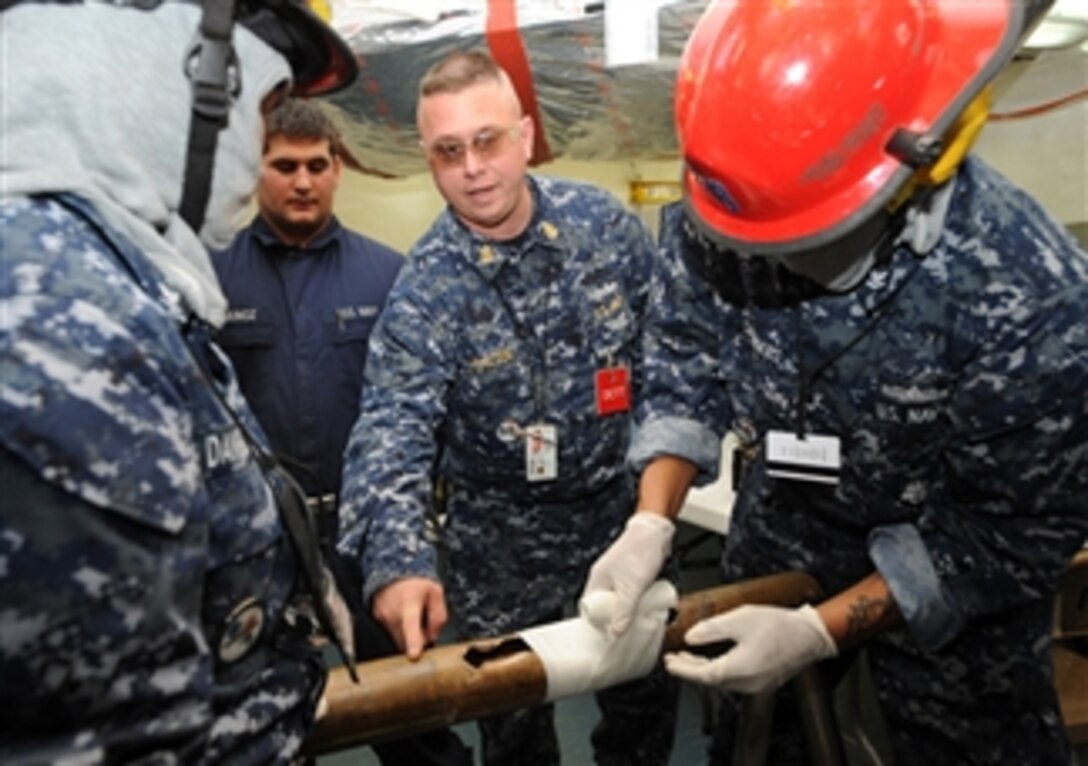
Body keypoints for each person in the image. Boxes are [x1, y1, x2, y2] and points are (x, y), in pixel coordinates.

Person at [583, 0, 1088, 764]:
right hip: (783, 533)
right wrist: (651, 522)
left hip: (949, 590)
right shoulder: (732, 192)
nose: (774, 264)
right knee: (760, 742)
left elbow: (1007, 533)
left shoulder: (1026, 289)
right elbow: (685, 363)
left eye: (803, 239)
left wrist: (819, 631)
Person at [1, 2, 360, 762]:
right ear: (176, 79)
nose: (263, 145)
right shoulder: (58, 307)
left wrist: (281, 583)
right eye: (261, 110)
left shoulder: (118, 273)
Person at [337, 50, 680, 765]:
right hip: (497, 547)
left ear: (526, 135)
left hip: (617, 520)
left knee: (645, 705)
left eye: (488, 140)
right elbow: (392, 427)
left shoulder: (604, 228)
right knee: (515, 732)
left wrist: (655, 509)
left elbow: (670, 363)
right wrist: (399, 560)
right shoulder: (426, 286)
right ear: (429, 161)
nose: (472, 167)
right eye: (448, 151)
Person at [213, 95, 472, 766]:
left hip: (365, 535)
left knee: (413, 716)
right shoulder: (212, 279)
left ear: (338, 170)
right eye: (285, 165)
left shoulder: (389, 275)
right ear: (254, 169)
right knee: (261, 726)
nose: (303, 181)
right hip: (260, 546)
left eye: (318, 165)